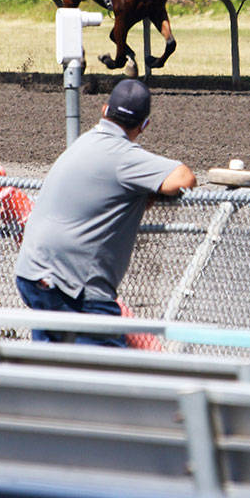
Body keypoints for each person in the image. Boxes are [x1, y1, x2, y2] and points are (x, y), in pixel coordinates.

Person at [14, 78, 196, 347]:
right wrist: (151, 191)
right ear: (144, 125)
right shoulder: (124, 156)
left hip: (32, 273)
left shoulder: (83, 142)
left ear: (104, 110)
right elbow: (183, 179)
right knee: (111, 375)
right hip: (73, 285)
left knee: (52, 370)